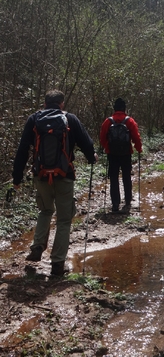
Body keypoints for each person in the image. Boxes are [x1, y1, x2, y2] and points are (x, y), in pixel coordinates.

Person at [12, 89, 98, 276]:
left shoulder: (34, 119)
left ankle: (37, 247)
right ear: (62, 104)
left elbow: (22, 150)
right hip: (64, 176)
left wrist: (16, 178)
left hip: (41, 175)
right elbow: (87, 144)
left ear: (44, 104)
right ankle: (57, 263)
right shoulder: (70, 119)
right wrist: (92, 157)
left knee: (45, 210)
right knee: (64, 220)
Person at [100, 98, 142, 213]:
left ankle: (115, 204)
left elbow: (102, 138)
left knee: (113, 178)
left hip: (112, 154)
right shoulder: (129, 121)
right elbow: (136, 137)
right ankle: (128, 201)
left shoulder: (108, 121)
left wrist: (107, 147)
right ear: (125, 108)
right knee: (126, 176)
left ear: (114, 108)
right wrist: (139, 148)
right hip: (126, 153)